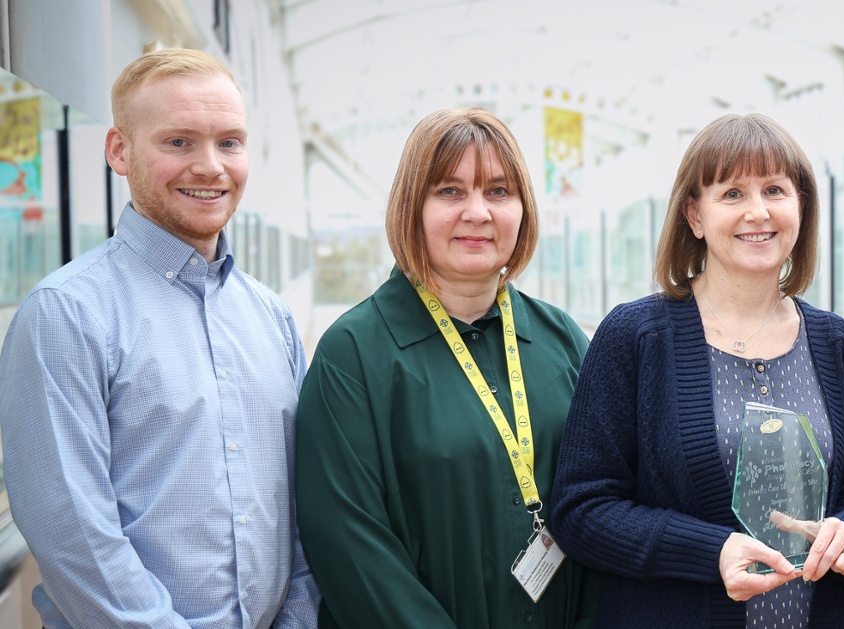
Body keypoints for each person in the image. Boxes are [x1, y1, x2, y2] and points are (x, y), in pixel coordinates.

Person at [0, 48, 318, 628]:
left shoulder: (271, 317)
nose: (210, 166)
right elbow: (75, 539)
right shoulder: (66, 315)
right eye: (178, 142)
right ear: (119, 151)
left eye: (229, 142)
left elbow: (302, 507)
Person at [550, 113, 844, 628]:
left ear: (801, 208)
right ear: (695, 216)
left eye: (775, 190)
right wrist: (712, 552)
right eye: (732, 194)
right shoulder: (637, 337)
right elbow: (580, 511)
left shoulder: (836, 343)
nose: (758, 212)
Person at [294, 107, 596, 628]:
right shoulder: (353, 354)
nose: (478, 212)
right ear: (412, 206)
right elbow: (349, 544)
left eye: (499, 191)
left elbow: (606, 501)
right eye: (450, 191)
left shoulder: (563, 341)